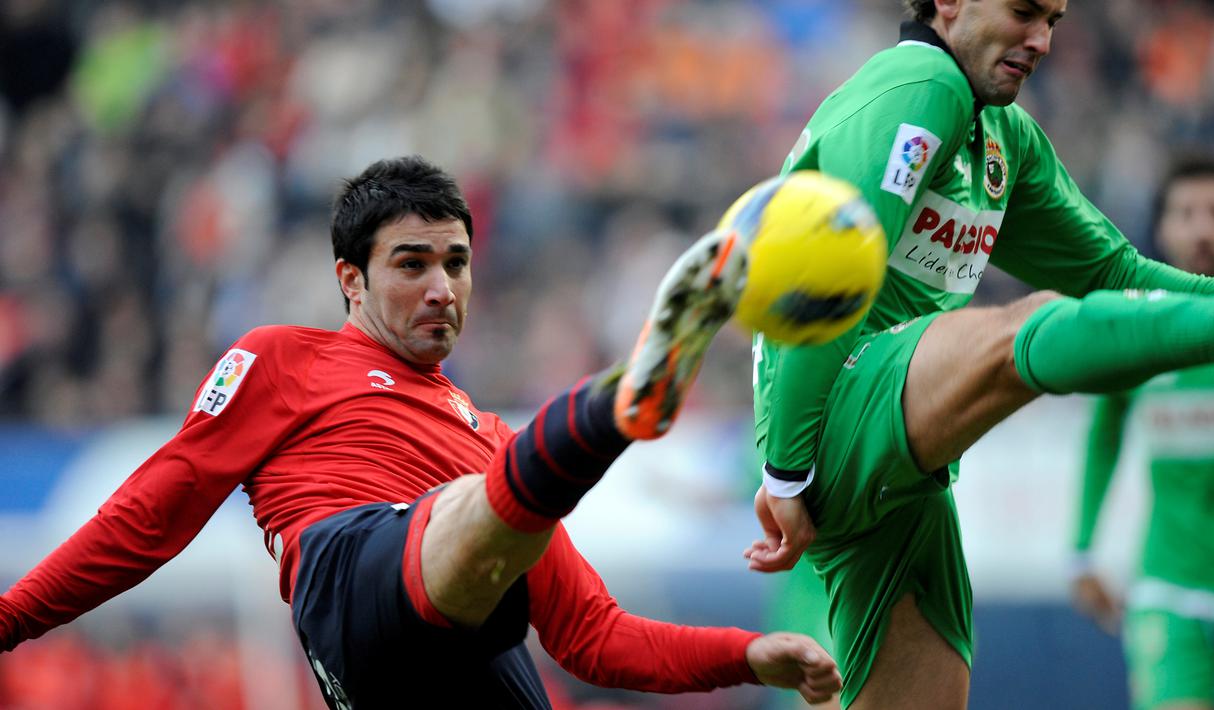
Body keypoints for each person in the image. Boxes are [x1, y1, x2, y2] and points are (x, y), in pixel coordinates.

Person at [0, 156, 843, 708]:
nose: (442, 286)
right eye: (412, 263)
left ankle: (620, 405)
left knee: (498, 506)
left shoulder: (486, 441)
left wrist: (747, 651)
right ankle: (623, 404)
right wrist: (8, 620)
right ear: (350, 280)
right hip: (353, 577)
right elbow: (150, 514)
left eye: (456, 262)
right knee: (483, 509)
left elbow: (594, 637)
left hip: (473, 628)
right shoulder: (280, 360)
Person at [741, 1, 1214, 708]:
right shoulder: (920, 82)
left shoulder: (1003, 135)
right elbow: (824, 273)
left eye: (1054, 21)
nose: (1041, 41)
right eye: (1024, 11)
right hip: (832, 407)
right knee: (1024, 329)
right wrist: (786, 469)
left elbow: (1118, 276)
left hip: (897, 460)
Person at [1070, 156, 1214, 710]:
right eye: (1185, 213)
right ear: (1162, 228)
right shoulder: (1142, 327)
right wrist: (1083, 552)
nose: (1203, 227)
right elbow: (1104, 435)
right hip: (1170, 586)